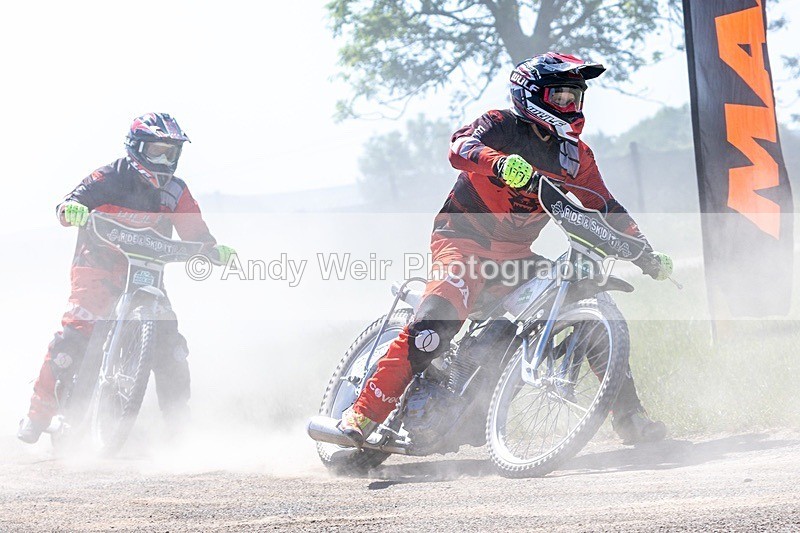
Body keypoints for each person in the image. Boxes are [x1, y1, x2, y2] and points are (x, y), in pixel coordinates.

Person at [340, 52, 673, 447]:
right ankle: (362, 413)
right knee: (437, 321)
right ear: (532, 94)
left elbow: (605, 204)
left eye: (575, 98)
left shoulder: (576, 156)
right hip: (461, 241)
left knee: (588, 306)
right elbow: (459, 148)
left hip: (514, 259)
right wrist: (499, 164)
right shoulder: (499, 124)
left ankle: (630, 417)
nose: (571, 106)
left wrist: (645, 250)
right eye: (562, 96)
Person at [17, 113, 236, 444]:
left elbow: (197, 235)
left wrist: (212, 251)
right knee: (74, 335)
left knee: (172, 346)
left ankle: (179, 431)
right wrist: (72, 210)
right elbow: (68, 204)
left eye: (171, 153)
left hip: (148, 274)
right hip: (98, 269)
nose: (164, 160)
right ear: (137, 149)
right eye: (157, 151)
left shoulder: (176, 192)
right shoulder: (108, 177)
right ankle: (36, 416)